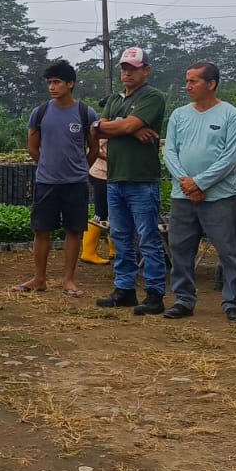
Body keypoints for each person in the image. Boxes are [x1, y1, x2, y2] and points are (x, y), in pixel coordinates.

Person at [161, 62, 236, 322]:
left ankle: (233, 302)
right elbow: (170, 152)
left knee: (228, 251)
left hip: (219, 197)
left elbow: (230, 157)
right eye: (187, 81)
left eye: (193, 81)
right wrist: (186, 183)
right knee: (180, 249)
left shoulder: (231, 115)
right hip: (182, 196)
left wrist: (200, 183)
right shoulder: (179, 115)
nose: (187, 86)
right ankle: (183, 299)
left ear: (211, 84)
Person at [95, 47, 169, 315]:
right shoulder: (115, 98)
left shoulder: (152, 96)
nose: (127, 73)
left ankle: (155, 293)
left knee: (148, 238)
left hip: (141, 179)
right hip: (115, 177)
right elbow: (99, 129)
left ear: (146, 70)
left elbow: (117, 127)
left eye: (133, 68)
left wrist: (121, 127)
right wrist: (129, 128)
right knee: (120, 236)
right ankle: (124, 289)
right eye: (124, 68)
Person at [18, 61, 98, 296]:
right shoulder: (40, 113)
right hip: (46, 182)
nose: (52, 87)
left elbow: (94, 148)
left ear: (70, 84)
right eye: (49, 83)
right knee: (41, 230)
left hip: (76, 183)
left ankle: (69, 281)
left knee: (73, 231)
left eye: (57, 82)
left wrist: (80, 169)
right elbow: (33, 147)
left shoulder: (86, 113)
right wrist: (47, 165)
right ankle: (39, 279)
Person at [81, 136, 112, 266]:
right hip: (100, 174)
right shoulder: (107, 129)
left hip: (110, 174)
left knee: (113, 213)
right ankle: (88, 252)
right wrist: (112, 158)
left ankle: (114, 249)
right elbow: (95, 149)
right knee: (100, 214)